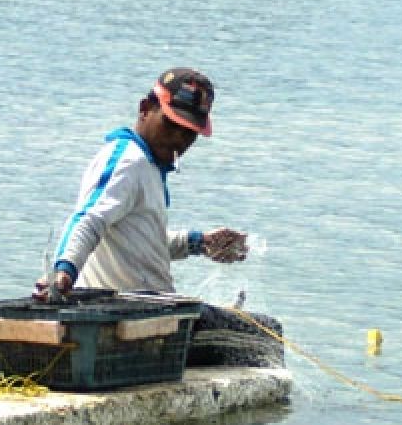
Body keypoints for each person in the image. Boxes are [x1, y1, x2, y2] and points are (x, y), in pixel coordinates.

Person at [41, 67, 248, 296]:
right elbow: (89, 220)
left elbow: (136, 245)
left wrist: (198, 243)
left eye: (189, 132)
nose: (179, 138)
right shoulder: (128, 161)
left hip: (155, 306)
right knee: (265, 327)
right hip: (124, 310)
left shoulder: (149, 166)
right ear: (145, 109)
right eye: (171, 124)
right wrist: (64, 271)